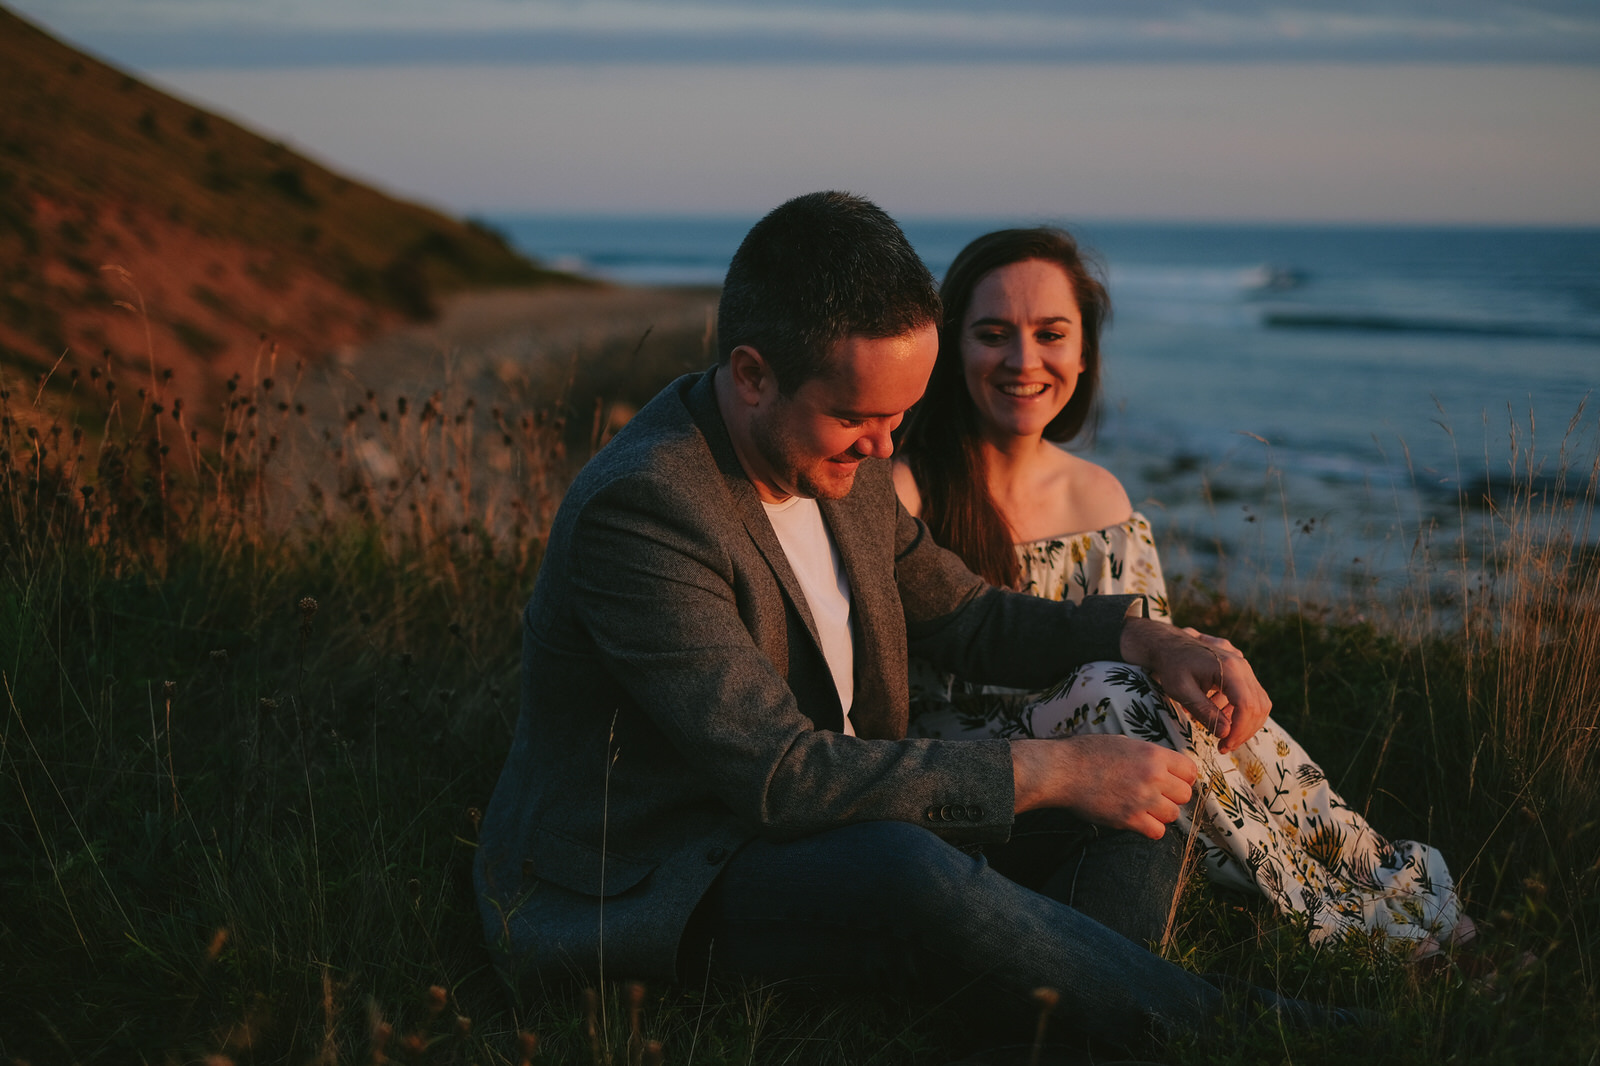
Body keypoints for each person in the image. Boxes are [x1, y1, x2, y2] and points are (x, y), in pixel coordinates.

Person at [475, 193, 1365, 1057]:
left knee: (1144, 782)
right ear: (752, 375)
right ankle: (1238, 1032)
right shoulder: (648, 510)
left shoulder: (842, 459)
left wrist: (1151, 640)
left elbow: (968, 614)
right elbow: (782, 779)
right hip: (672, 874)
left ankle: (1057, 1024)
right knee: (906, 867)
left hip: (851, 817)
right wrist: (1050, 769)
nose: (884, 448)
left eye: (900, 414)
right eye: (859, 417)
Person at [893, 226, 1464, 951]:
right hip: (971, 763)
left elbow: (1161, 684)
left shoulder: (1102, 499)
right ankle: (1362, 925)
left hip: (1112, 752)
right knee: (1116, 689)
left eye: (1052, 333)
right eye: (993, 333)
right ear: (953, 347)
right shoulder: (905, 492)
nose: (1024, 359)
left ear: (1084, 351)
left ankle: (1396, 888)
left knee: (1165, 694)